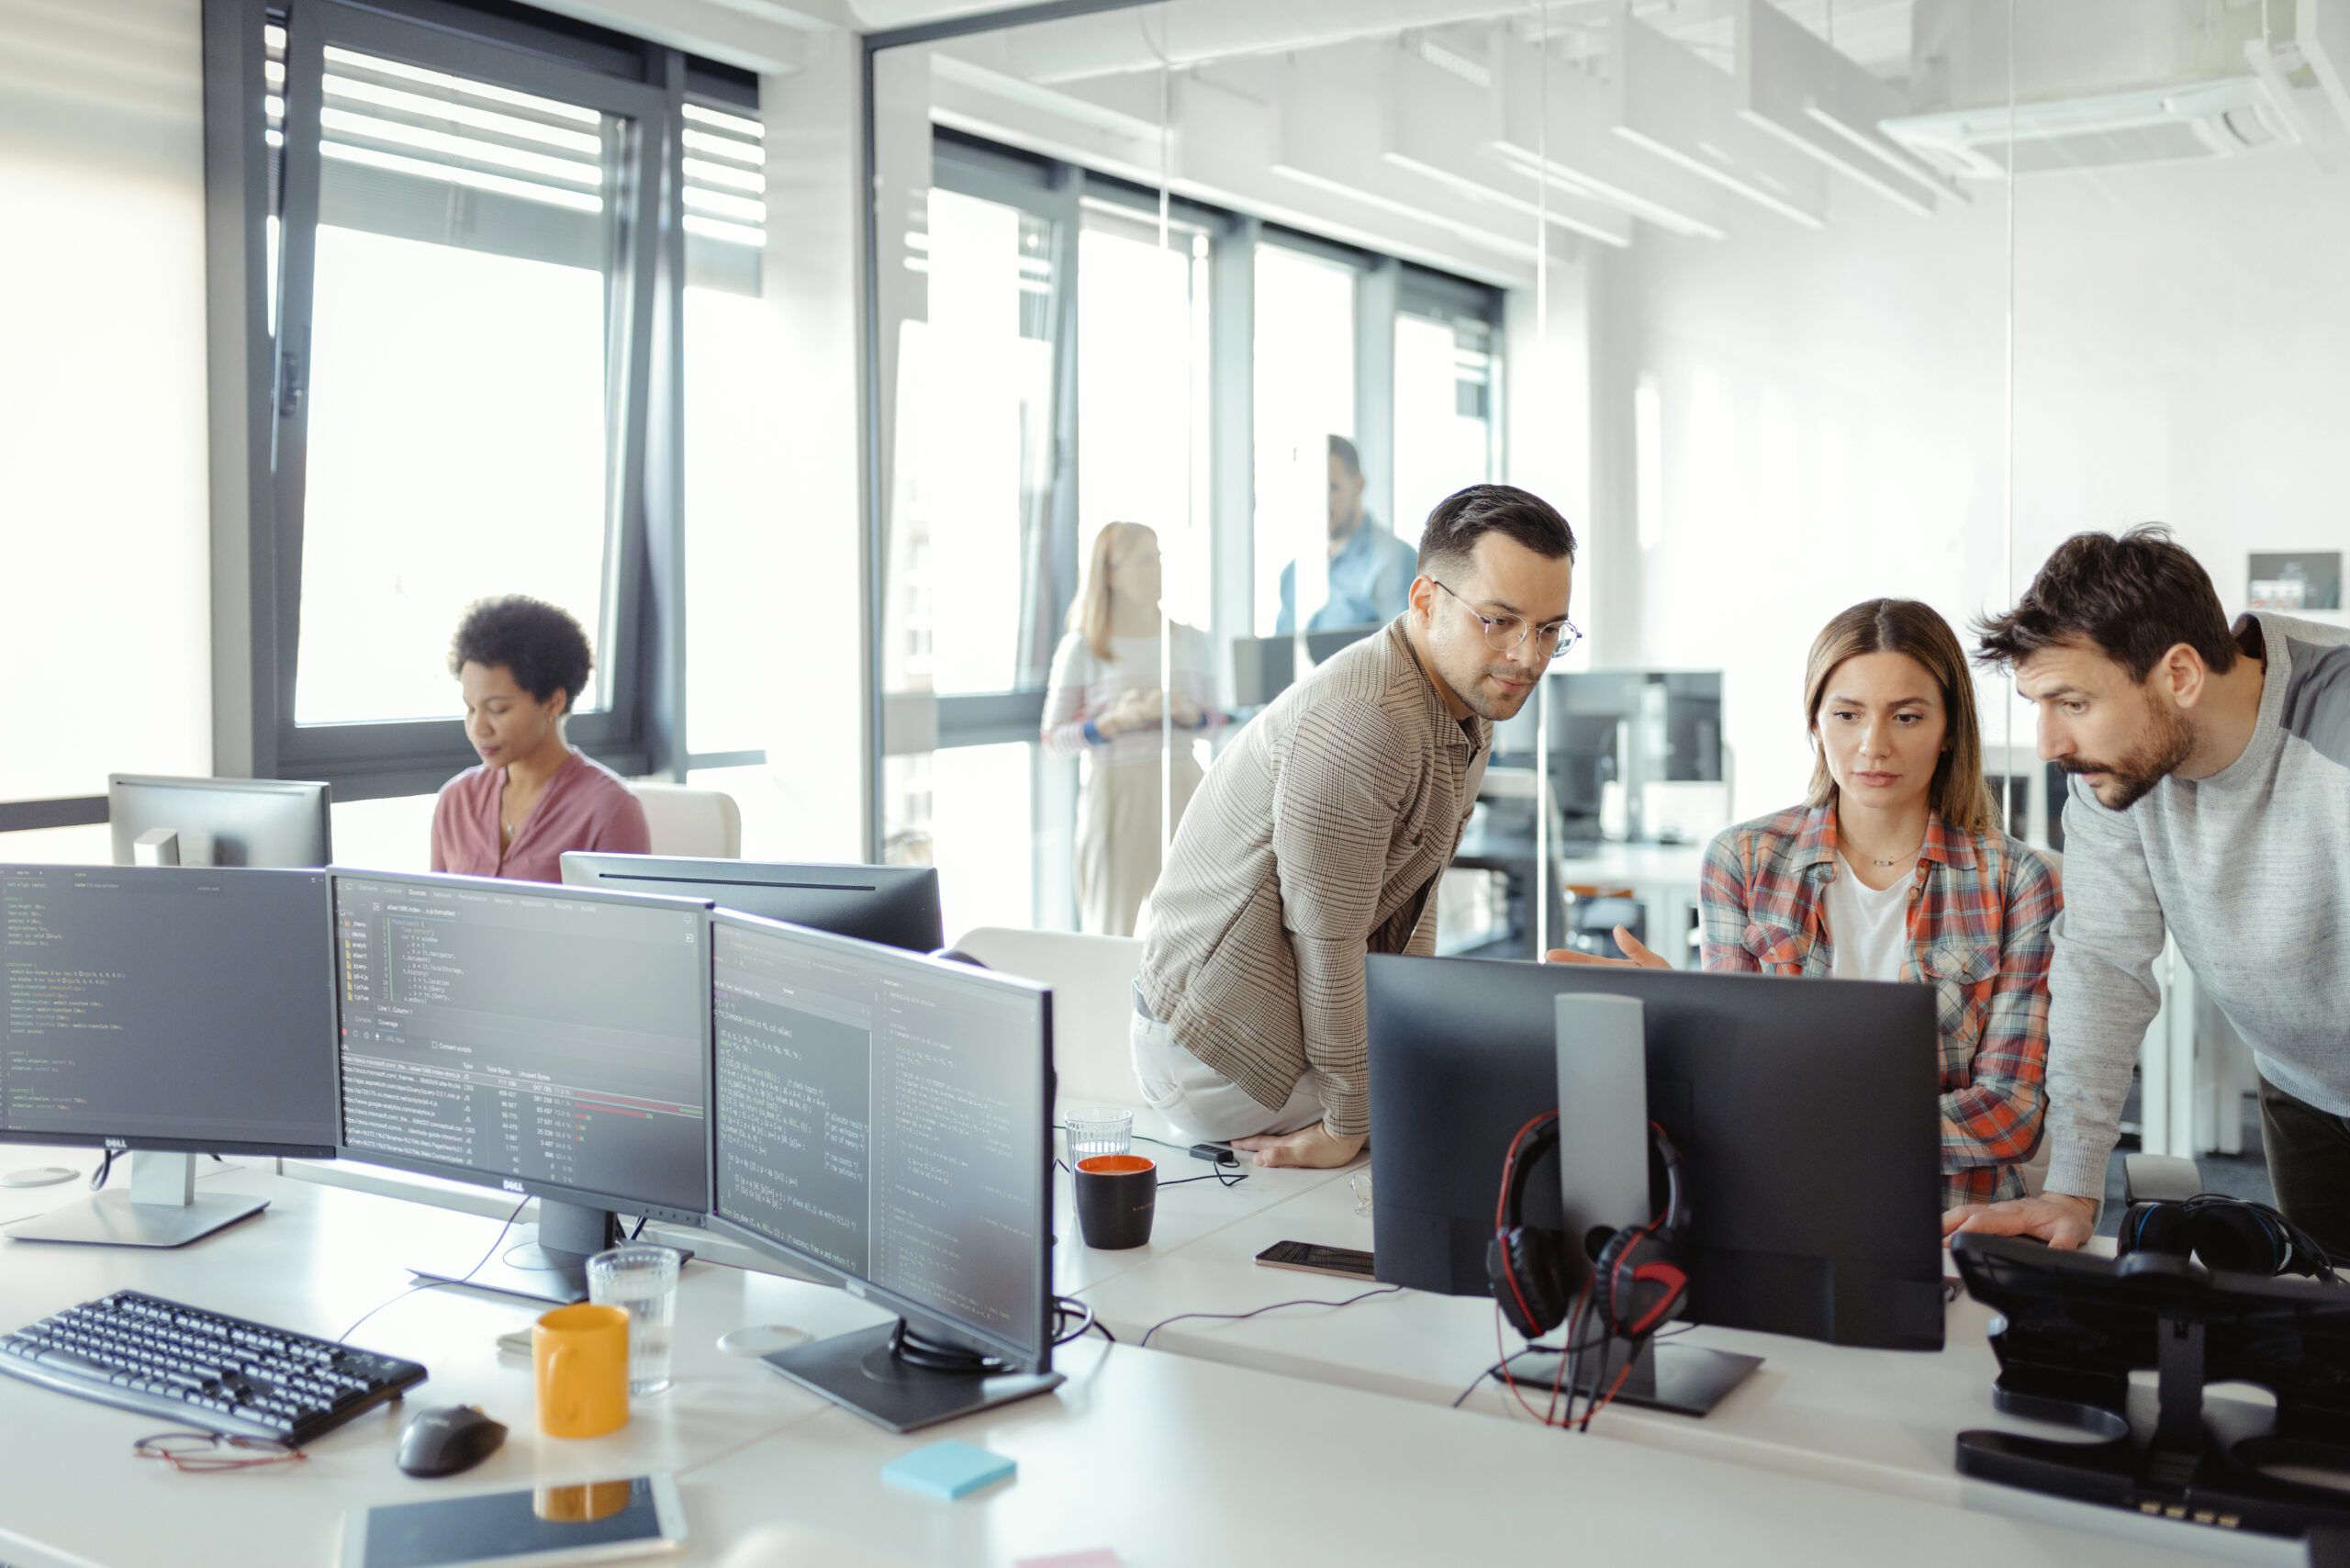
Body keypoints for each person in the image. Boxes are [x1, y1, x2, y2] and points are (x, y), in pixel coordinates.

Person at [1552, 600, 2061, 1211]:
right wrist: (1683, 1022)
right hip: (1778, 1203)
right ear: (1816, 722)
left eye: (1906, 716)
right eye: (1847, 714)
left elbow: (2010, 1113)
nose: (1874, 745)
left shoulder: (2016, 881)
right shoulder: (1743, 861)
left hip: (1947, 1217)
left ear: (1949, 728)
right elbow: (1728, 1085)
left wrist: (1808, 1121)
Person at [1136, 484, 1579, 1168]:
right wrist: (1350, 1122)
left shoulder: (1468, 701)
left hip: (1271, 1017)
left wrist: (1407, 1045)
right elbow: (1326, 938)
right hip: (1217, 1049)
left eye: (1550, 629)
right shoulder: (1365, 722)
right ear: (1427, 600)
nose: (1529, 656)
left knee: (1511, 1081)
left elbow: (1415, 898)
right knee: (1523, 1101)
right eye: (1500, 621)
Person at [1945, 526, 2350, 1256]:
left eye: (2071, 703)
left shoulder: (2337, 731)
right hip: (2300, 1086)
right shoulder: (2119, 777)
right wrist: (2071, 1188)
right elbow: (2103, 965)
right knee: (2320, 1337)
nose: (2047, 744)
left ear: (2182, 676)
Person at [1040, 523, 1220, 936]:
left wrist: (1185, 714)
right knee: (1110, 925)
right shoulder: (1084, 647)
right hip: (1116, 791)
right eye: (1143, 560)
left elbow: (1215, 723)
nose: (1156, 569)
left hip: (1183, 784)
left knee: (1193, 924)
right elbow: (1053, 739)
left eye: (1158, 557)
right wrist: (1111, 723)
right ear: (1110, 574)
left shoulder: (1191, 640)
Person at [430, 595, 650, 883]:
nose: (478, 728)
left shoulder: (610, 809)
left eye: (498, 709)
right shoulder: (456, 801)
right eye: (471, 708)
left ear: (552, 703)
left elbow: (627, 925)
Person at [1274, 435, 1420, 635]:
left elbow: (1402, 656)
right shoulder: (1293, 574)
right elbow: (1280, 657)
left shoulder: (1392, 560)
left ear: (1359, 485)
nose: (1320, 502)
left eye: (1332, 488)